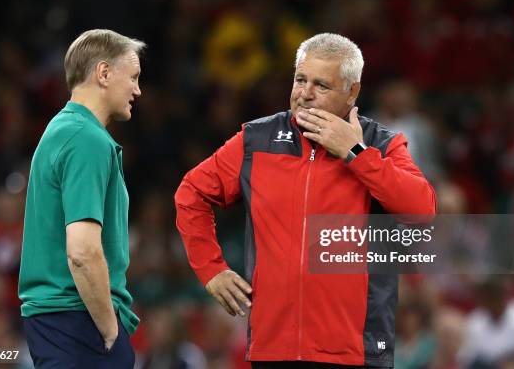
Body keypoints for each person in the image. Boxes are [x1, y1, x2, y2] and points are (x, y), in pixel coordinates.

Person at [175, 33, 436, 368]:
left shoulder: (381, 144)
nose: (305, 94)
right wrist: (211, 269)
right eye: (300, 79)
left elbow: (422, 211)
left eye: (321, 85)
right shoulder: (258, 140)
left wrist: (356, 154)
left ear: (352, 91)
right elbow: (191, 193)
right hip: (274, 348)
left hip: (356, 351)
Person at [18, 29, 145, 368]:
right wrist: (109, 328)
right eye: (132, 77)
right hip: (79, 321)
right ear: (103, 73)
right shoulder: (85, 139)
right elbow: (82, 252)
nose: (137, 90)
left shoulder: (63, 128)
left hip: (62, 322)